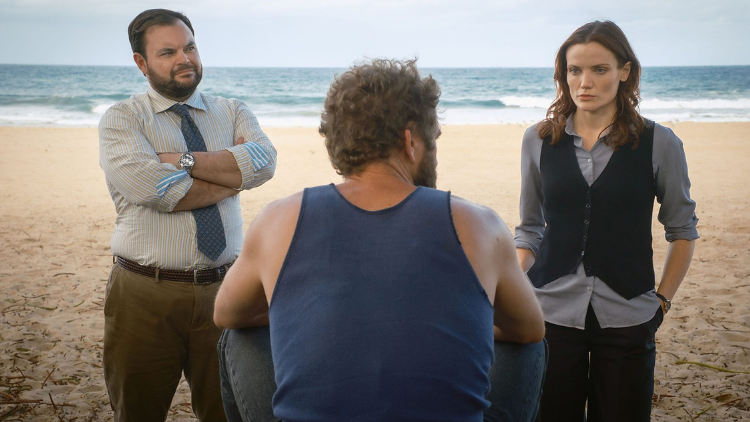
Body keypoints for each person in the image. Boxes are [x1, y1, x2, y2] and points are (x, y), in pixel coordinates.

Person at [213, 59, 547, 422]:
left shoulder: (278, 218)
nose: (433, 150)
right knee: (530, 348)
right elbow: (530, 329)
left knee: (238, 338)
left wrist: (301, 314)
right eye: (432, 139)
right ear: (410, 141)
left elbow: (227, 313)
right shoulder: (479, 223)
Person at [98, 8, 276, 422]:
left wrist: (178, 160)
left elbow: (264, 162)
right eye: (168, 52)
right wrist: (234, 176)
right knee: (137, 412)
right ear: (141, 63)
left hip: (228, 290)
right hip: (144, 293)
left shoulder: (232, 110)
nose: (185, 59)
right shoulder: (123, 119)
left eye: (190, 47)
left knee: (226, 412)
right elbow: (152, 188)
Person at [515, 21, 699, 421]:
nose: (585, 82)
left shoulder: (659, 142)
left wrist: (661, 302)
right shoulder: (538, 140)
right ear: (563, 74)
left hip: (630, 318)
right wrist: (514, 289)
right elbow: (529, 229)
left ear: (625, 71)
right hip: (551, 314)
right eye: (574, 70)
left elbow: (682, 231)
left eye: (599, 69)